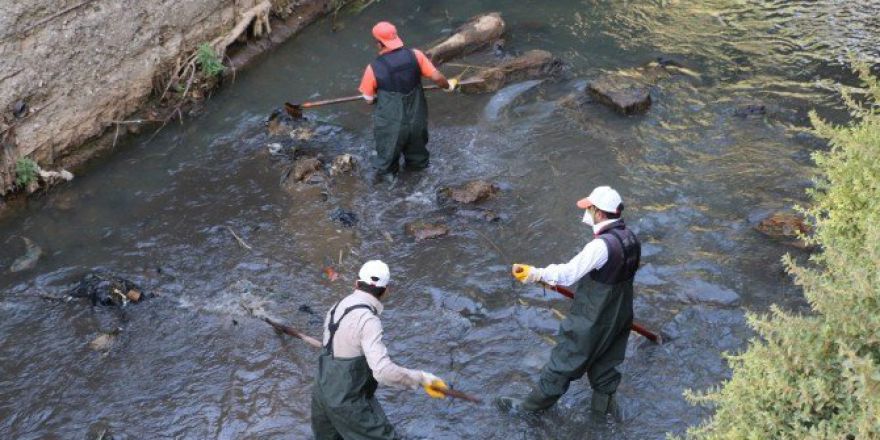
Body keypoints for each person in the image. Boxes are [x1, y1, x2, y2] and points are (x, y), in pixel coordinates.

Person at [499, 186, 641, 415]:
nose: (586, 212)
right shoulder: (631, 238)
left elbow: (567, 274)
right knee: (606, 365)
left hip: (593, 318)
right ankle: (603, 416)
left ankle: (527, 410)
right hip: (621, 315)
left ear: (599, 213)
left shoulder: (600, 246)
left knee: (564, 360)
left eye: (589, 208)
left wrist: (535, 273)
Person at [311, 260, 449, 439]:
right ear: (385, 291)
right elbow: (383, 372)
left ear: (356, 283)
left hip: (320, 395)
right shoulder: (369, 321)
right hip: (348, 401)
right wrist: (421, 378)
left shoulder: (336, 307)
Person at [358, 21, 458, 183]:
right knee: (419, 162)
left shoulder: (374, 68)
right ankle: (419, 186)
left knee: (386, 165)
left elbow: (368, 100)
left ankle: (391, 189)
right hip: (416, 119)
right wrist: (448, 86)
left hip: (392, 125)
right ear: (396, 37)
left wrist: (379, 96)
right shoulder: (416, 55)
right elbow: (438, 78)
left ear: (379, 43)